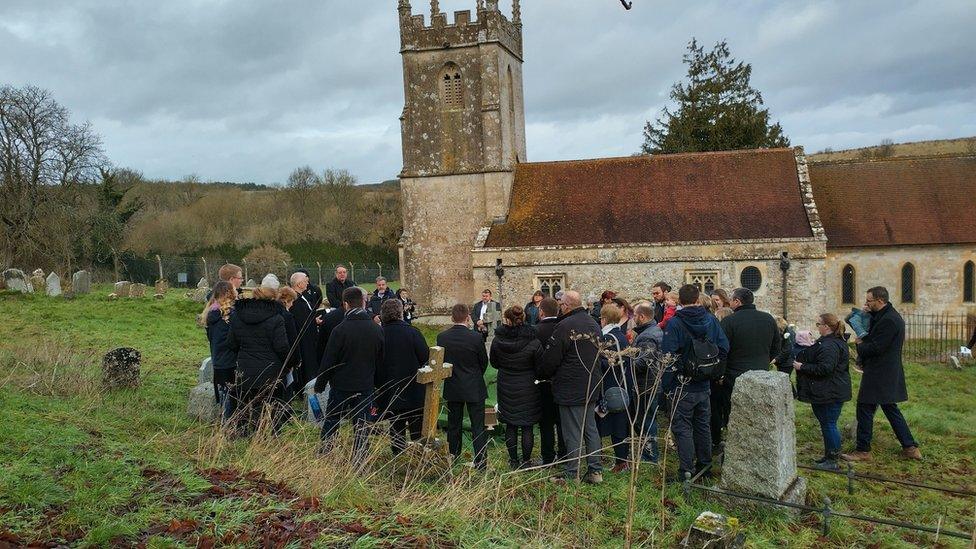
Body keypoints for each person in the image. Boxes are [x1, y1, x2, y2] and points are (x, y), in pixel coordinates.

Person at [843, 287, 921, 461]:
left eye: (869, 301)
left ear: (880, 300)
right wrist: (865, 313)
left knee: (864, 408)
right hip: (883, 371)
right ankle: (910, 448)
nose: (867, 304)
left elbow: (876, 348)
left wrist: (859, 343)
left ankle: (863, 451)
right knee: (890, 408)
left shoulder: (889, 321)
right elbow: (857, 321)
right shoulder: (884, 316)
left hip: (880, 372)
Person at [661, 284, 729, 482]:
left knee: (682, 427)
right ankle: (705, 466)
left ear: (680, 301)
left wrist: (666, 386)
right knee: (702, 425)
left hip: (682, 383)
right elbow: (724, 347)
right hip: (704, 384)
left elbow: (668, 357)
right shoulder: (710, 319)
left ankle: (687, 470)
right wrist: (713, 369)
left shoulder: (675, 323)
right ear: (698, 299)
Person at [539, 290, 604, 485]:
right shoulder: (594, 323)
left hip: (570, 385)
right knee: (590, 428)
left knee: (572, 431)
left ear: (566, 306)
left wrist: (542, 372)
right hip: (591, 384)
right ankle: (595, 471)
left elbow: (551, 360)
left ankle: (572, 473)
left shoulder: (564, 326)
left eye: (561, 305)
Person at [315, 287, 384, 461]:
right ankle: (359, 457)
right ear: (363, 302)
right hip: (365, 384)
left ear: (345, 304)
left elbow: (328, 360)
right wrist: (378, 382)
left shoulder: (340, 330)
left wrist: (320, 383)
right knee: (361, 424)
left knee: (332, 420)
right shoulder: (376, 329)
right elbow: (381, 359)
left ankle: (326, 450)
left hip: (341, 384)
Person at [714, 288, 781, 446]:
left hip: (734, 377)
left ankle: (738, 447)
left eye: (732, 299)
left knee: (735, 415)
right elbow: (776, 347)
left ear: (737, 301)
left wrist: (721, 374)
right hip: (761, 373)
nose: (730, 302)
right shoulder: (768, 319)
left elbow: (722, 350)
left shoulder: (729, 321)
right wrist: (764, 361)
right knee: (759, 414)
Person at [226, 286, 290, 436]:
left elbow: (231, 343)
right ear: (273, 299)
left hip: (245, 367)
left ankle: (241, 432)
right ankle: (270, 433)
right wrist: (287, 363)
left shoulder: (237, 316)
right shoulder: (276, 318)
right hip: (270, 368)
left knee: (243, 403)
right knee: (271, 404)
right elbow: (281, 347)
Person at [794, 313, 852, 471]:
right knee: (827, 424)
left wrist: (802, 367)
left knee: (829, 424)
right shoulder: (831, 342)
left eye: (818, 324)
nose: (817, 326)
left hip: (830, 391)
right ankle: (829, 456)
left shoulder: (830, 345)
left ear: (826, 326)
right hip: (828, 390)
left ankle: (832, 460)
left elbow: (825, 368)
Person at [438, 304, 490, 470]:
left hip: (453, 385)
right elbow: (483, 362)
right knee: (478, 426)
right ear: (468, 317)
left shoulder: (442, 337)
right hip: (473, 385)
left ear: (452, 317)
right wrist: (475, 375)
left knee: (454, 425)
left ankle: (453, 456)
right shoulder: (475, 337)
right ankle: (481, 461)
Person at [490, 305, 542, 469]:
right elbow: (540, 364)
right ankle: (526, 461)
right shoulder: (533, 340)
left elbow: (494, 362)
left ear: (507, 319)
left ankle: (513, 460)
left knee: (511, 424)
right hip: (527, 383)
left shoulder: (498, 340)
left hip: (507, 382)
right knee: (527, 425)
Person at [375, 299, 429, 455]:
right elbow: (425, 358)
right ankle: (417, 456)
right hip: (414, 389)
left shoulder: (379, 334)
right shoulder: (413, 332)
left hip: (390, 389)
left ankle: (398, 456)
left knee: (396, 427)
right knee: (416, 428)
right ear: (400, 313)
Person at [597, 304, 634, 473]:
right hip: (622, 383)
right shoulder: (621, 335)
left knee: (616, 424)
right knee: (619, 423)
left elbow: (609, 363)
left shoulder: (608, 338)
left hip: (611, 385)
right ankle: (621, 460)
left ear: (604, 319)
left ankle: (620, 462)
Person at [630, 301, 664, 463]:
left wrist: (625, 362)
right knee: (647, 420)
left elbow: (643, 362)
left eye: (635, 315)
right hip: (650, 383)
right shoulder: (653, 330)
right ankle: (647, 453)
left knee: (646, 421)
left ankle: (649, 456)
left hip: (646, 385)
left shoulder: (648, 336)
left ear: (642, 317)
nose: (633, 318)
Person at [534, 297, 566, 465]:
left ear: (541, 312)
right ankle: (563, 455)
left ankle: (547, 457)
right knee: (561, 421)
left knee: (546, 422)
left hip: (542, 380)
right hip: (562, 379)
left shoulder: (536, 330)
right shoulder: (565, 328)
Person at [202, 281, 237, 409]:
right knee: (231, 399)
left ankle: (224, 425)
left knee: (224, 395)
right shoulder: (228, 316)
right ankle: (229, 426)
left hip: (218, 360)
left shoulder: (211, 313)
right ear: (229, 293)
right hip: (230, 361)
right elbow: (231, 341)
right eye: (234, 289)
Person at [288, 272, 321, 390]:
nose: (308, 283)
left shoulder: (302, 296)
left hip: (309, 336)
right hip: (303, 339)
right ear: (299, 284)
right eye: (305, 281)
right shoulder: (295, 300)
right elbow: (300, 321)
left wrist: (314, 320)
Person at [275, 286, 301, 396]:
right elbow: (293, 340)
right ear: (287, 301)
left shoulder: (273, 312)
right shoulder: (287, 316)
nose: (292, 304)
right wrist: (296, 360)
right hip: (286, 358)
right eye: (292, 302)